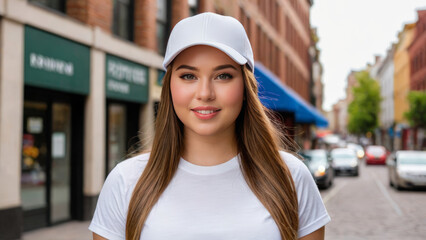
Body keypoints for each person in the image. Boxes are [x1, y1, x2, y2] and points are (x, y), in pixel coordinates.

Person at [89, 12, 330, 240]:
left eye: (223, 76)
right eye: (188, 76)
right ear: (169, 86)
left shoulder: (291, 177)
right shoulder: (126, 181)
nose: (205, 93)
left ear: (246, 88)